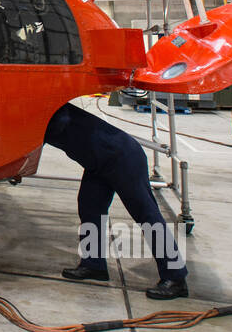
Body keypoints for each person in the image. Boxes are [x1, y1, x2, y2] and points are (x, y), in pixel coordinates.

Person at [44, 102, 189, 299]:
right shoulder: (43, 113)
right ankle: (93, 264)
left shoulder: (51, 111)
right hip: (97, 162)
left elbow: (50, 129)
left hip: (121, 157)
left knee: (146, 214)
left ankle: (176, 278)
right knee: (89, 208)